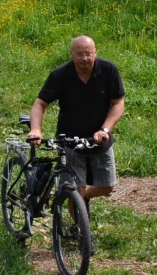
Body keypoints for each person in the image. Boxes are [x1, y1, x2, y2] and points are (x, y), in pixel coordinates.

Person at [28, 35, 125, 219]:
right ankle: (79, 230)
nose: (85, 59)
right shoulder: (60, 75)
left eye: (88, 54)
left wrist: (105, 130)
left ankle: (84, 198)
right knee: (75, 188)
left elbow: (118, 103)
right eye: (79, 54)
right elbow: (40, 104)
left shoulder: (108, 70)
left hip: (99, 139)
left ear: (95, 53)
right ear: (71, 55)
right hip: (70, 140)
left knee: (107, 186)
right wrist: (36, 129)